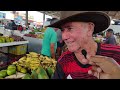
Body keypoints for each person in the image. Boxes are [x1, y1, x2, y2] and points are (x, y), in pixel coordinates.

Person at [48, 11, 120, 79]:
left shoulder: (117, 54)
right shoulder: (63, 61)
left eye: (70, 28)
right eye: (62, 30)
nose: (64, 37)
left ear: (89, 28)